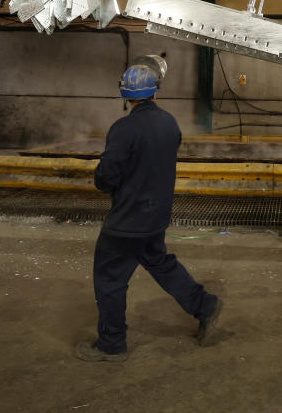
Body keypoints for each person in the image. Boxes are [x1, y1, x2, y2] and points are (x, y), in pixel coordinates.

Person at [76, 59, 223, 362]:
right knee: (161, 264)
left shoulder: (123, 129)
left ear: (126, 97)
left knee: (109, 280)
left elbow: (105, 179)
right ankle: (205, 306)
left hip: (126, 223)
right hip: (155, 218)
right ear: (155, 92)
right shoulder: (170, 124)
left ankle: (111, 344)